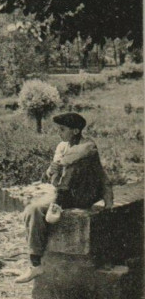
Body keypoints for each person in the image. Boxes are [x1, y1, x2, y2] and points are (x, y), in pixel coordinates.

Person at [16, 112, 114, 284]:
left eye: (62, 129)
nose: (59, 133)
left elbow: (94, 170)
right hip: (64, 193)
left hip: (83, 194)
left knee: (74, 166)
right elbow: (53, 175)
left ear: (75, 131)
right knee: (31, 210)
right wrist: (51, 170)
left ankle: (56, 206)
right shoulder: (62, 146)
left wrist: (108, 198)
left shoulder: (88, 146)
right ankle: (35, 264)